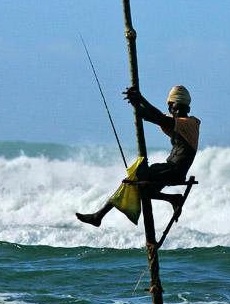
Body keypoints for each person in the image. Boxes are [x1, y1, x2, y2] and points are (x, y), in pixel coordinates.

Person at [76, 85, 200, 227]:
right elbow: (150, 116)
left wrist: (141, 99)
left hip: (174, 170)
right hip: (167, 168)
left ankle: (98, 216)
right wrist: (136, 103)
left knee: (137, 174)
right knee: (142, 190)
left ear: (188, 110)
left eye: (179, 109)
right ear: (170, 109)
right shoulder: (178, 124)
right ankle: (173, 199)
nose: (176, 112)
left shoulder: (190, 123)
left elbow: (158, 117)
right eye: (174, 109)